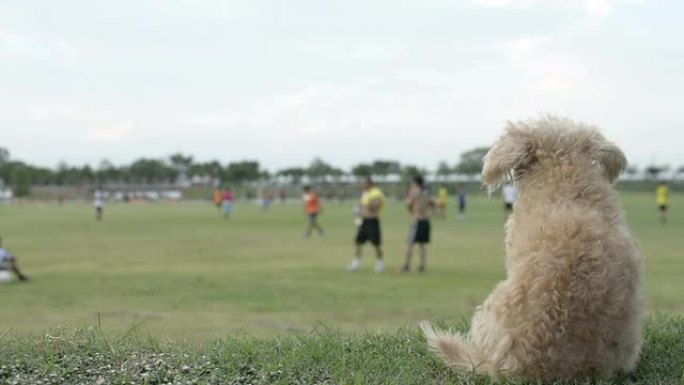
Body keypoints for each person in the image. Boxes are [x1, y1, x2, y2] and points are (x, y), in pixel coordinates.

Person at [397, 175, 435, 273]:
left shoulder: (415, 192)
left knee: (410, 244)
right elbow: (433, 203)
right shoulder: (426, 192)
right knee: (422, 245)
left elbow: (408, 203)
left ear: (415, 183)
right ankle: (422, 267)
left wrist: (409, 202)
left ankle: (406, 266)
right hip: (426, 221)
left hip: (417, 221)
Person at [348, 177, 385, 273]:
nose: (362, 185)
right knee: (358, 242)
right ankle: (356, 263)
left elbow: (375, 206)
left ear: (369, 184)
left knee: (376, 244)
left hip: (372, 221)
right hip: (364, 221)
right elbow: (362, 204)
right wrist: (358, 208)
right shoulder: (365, 193)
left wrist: (364, 207)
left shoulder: (375, 192)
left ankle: (380, 263)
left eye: (364, 183)